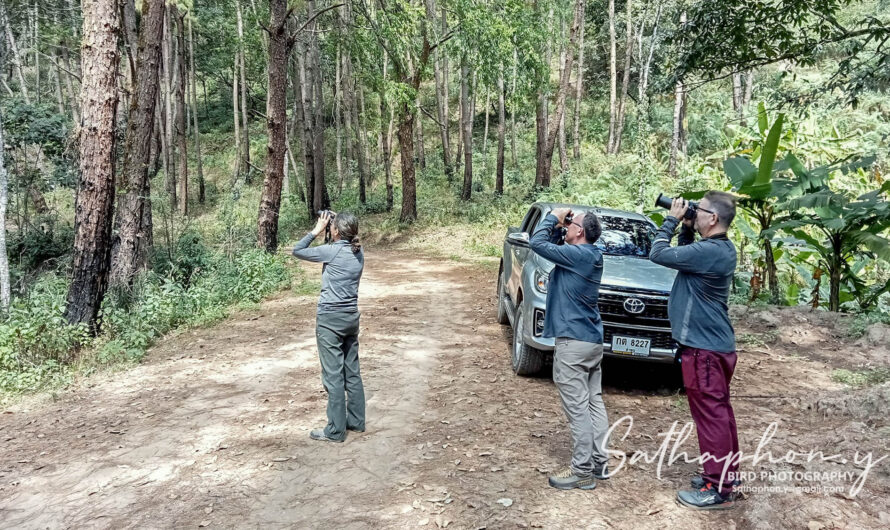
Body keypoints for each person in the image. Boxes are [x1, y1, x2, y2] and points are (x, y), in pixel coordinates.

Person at [649, 192, 740, 510]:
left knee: (711, 418)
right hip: (714, 347)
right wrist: (687, 226)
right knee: (720, 415)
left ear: (713, 218)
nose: (693, 211)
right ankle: (727, 476)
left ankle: (719, 488)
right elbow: (686, 256)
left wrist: (671, 220)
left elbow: (658, 254)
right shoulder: (717, 249)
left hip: (704, 350)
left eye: (698, 209)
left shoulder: (711, 251)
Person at [529, 207, 609, 490]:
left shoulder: (578, 255)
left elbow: (537, 243)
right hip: (590, 341)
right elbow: (550, 245)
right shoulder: (589, 256)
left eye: (571, 224)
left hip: (573, 344)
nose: (566, 226)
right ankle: (599, 462)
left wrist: (553, 216)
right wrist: (560, 226)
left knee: (578, 409)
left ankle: (582, 471)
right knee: (592, 402)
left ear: (580, 232)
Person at [292, 211, 366, 443]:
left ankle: (335, 430)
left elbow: (298, 250)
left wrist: (316, 230)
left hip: (330, 320)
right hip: (350, 318)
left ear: (335, 231)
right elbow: (339, 246)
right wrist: (333, 227)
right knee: (351, 372)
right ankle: (356, 421)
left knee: (333, 376)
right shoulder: (358, 252)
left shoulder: (332, 252)